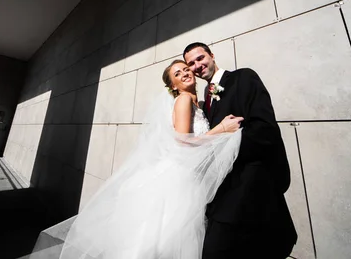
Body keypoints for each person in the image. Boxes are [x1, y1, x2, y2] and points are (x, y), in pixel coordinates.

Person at [59, 60, 243, 259]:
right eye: (177, 74)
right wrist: (221, 130)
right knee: (167, 239)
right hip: (178, 179)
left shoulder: (194, 102)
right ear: (173, 85)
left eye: (186, 69)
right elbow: (184, 141)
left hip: (187, 176)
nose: (184, 74)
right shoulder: (183, 100)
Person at [183, 42, 297, 258]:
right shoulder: (202, 103)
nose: (197, 65)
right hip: (220, 196)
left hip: (249, 190)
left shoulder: (243, 78)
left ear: (212, 56)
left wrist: (225, 143)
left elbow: (265, 130)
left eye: (200, 58)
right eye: (191, 64)